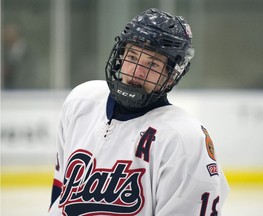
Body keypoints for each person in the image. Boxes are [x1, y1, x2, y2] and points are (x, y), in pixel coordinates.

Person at [48, 8, 229, 215]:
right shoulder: (81, 102)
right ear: (120, 56)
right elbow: (59, 194)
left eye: (152, 64)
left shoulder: (184, 139)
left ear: (172, 75)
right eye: (132, 57)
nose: (136, 72)